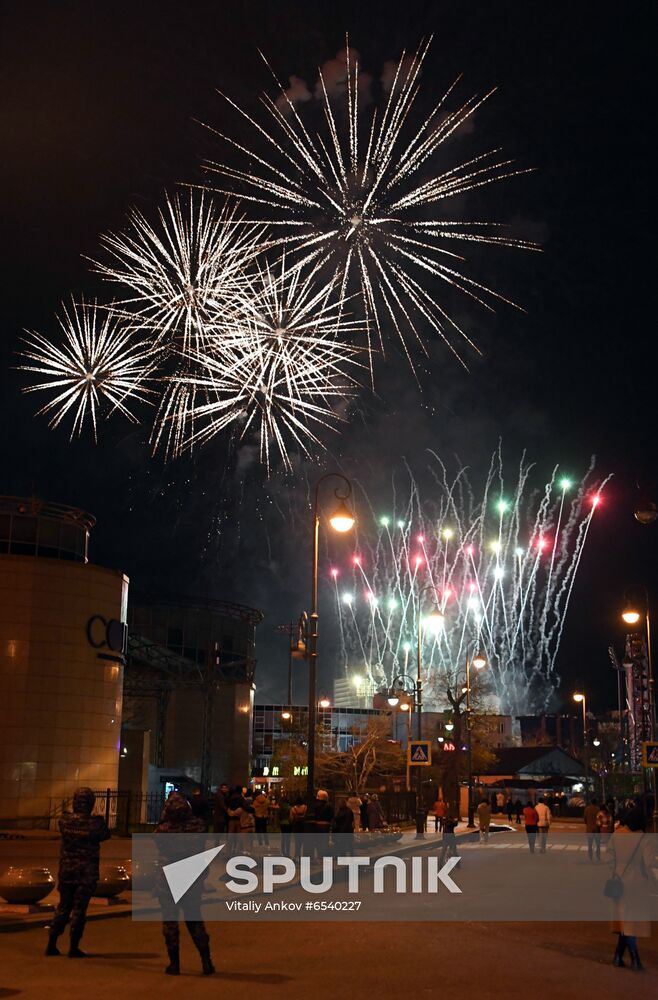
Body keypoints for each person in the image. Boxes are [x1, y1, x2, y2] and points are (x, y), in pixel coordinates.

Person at [45, 787, 110, 958]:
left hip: (67, 872)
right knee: (80, 910)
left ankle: (51, 944)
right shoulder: (95, 823)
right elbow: (105, 834)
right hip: (86, 874)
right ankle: (73, 947)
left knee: (63, 907)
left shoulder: (65, 821)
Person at [154, 793, 214, 976]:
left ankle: (174, 964)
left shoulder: (163, 831)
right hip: (191, 878)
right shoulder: (198, 827)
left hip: (169, 880)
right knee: (194, 919)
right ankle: (206, 961)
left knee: (170, 921)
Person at [609, 808, 652, 970]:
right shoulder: (643, 838)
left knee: (624, 920)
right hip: (637, 882)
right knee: (630, 922)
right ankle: (634, 958)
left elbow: (610, 857)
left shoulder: (617, 834)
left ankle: (618, 956)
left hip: (618, 881)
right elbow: (647, 864)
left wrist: (615, 871)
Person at [313, 790, 334, 858]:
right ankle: (324, 853)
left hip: (317, 824)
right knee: (325, 840)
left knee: (318, 840)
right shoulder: (329, 805)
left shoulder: (315, 805)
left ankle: (319, 853)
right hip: (326, 824)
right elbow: (331, 814)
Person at [226, 786, 245, 854]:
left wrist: (231, 812)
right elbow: (244, 807)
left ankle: (229, 851)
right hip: (239, 819)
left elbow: (227, 806)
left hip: (231, 819)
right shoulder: (241, 798)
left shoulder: (230, 797)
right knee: (238, 836)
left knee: (230, 836)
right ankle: (237, 851)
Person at [583, 797, 601, 862]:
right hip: (596, 829)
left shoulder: (587, 809)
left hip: (589, 829)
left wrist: (588, 824)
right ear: (596, 803)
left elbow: (585, 819)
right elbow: (600, 820)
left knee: (590, 844)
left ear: (591, 802)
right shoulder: (598, 809)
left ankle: (590, 857)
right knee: (598, 844)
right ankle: (598, 856)